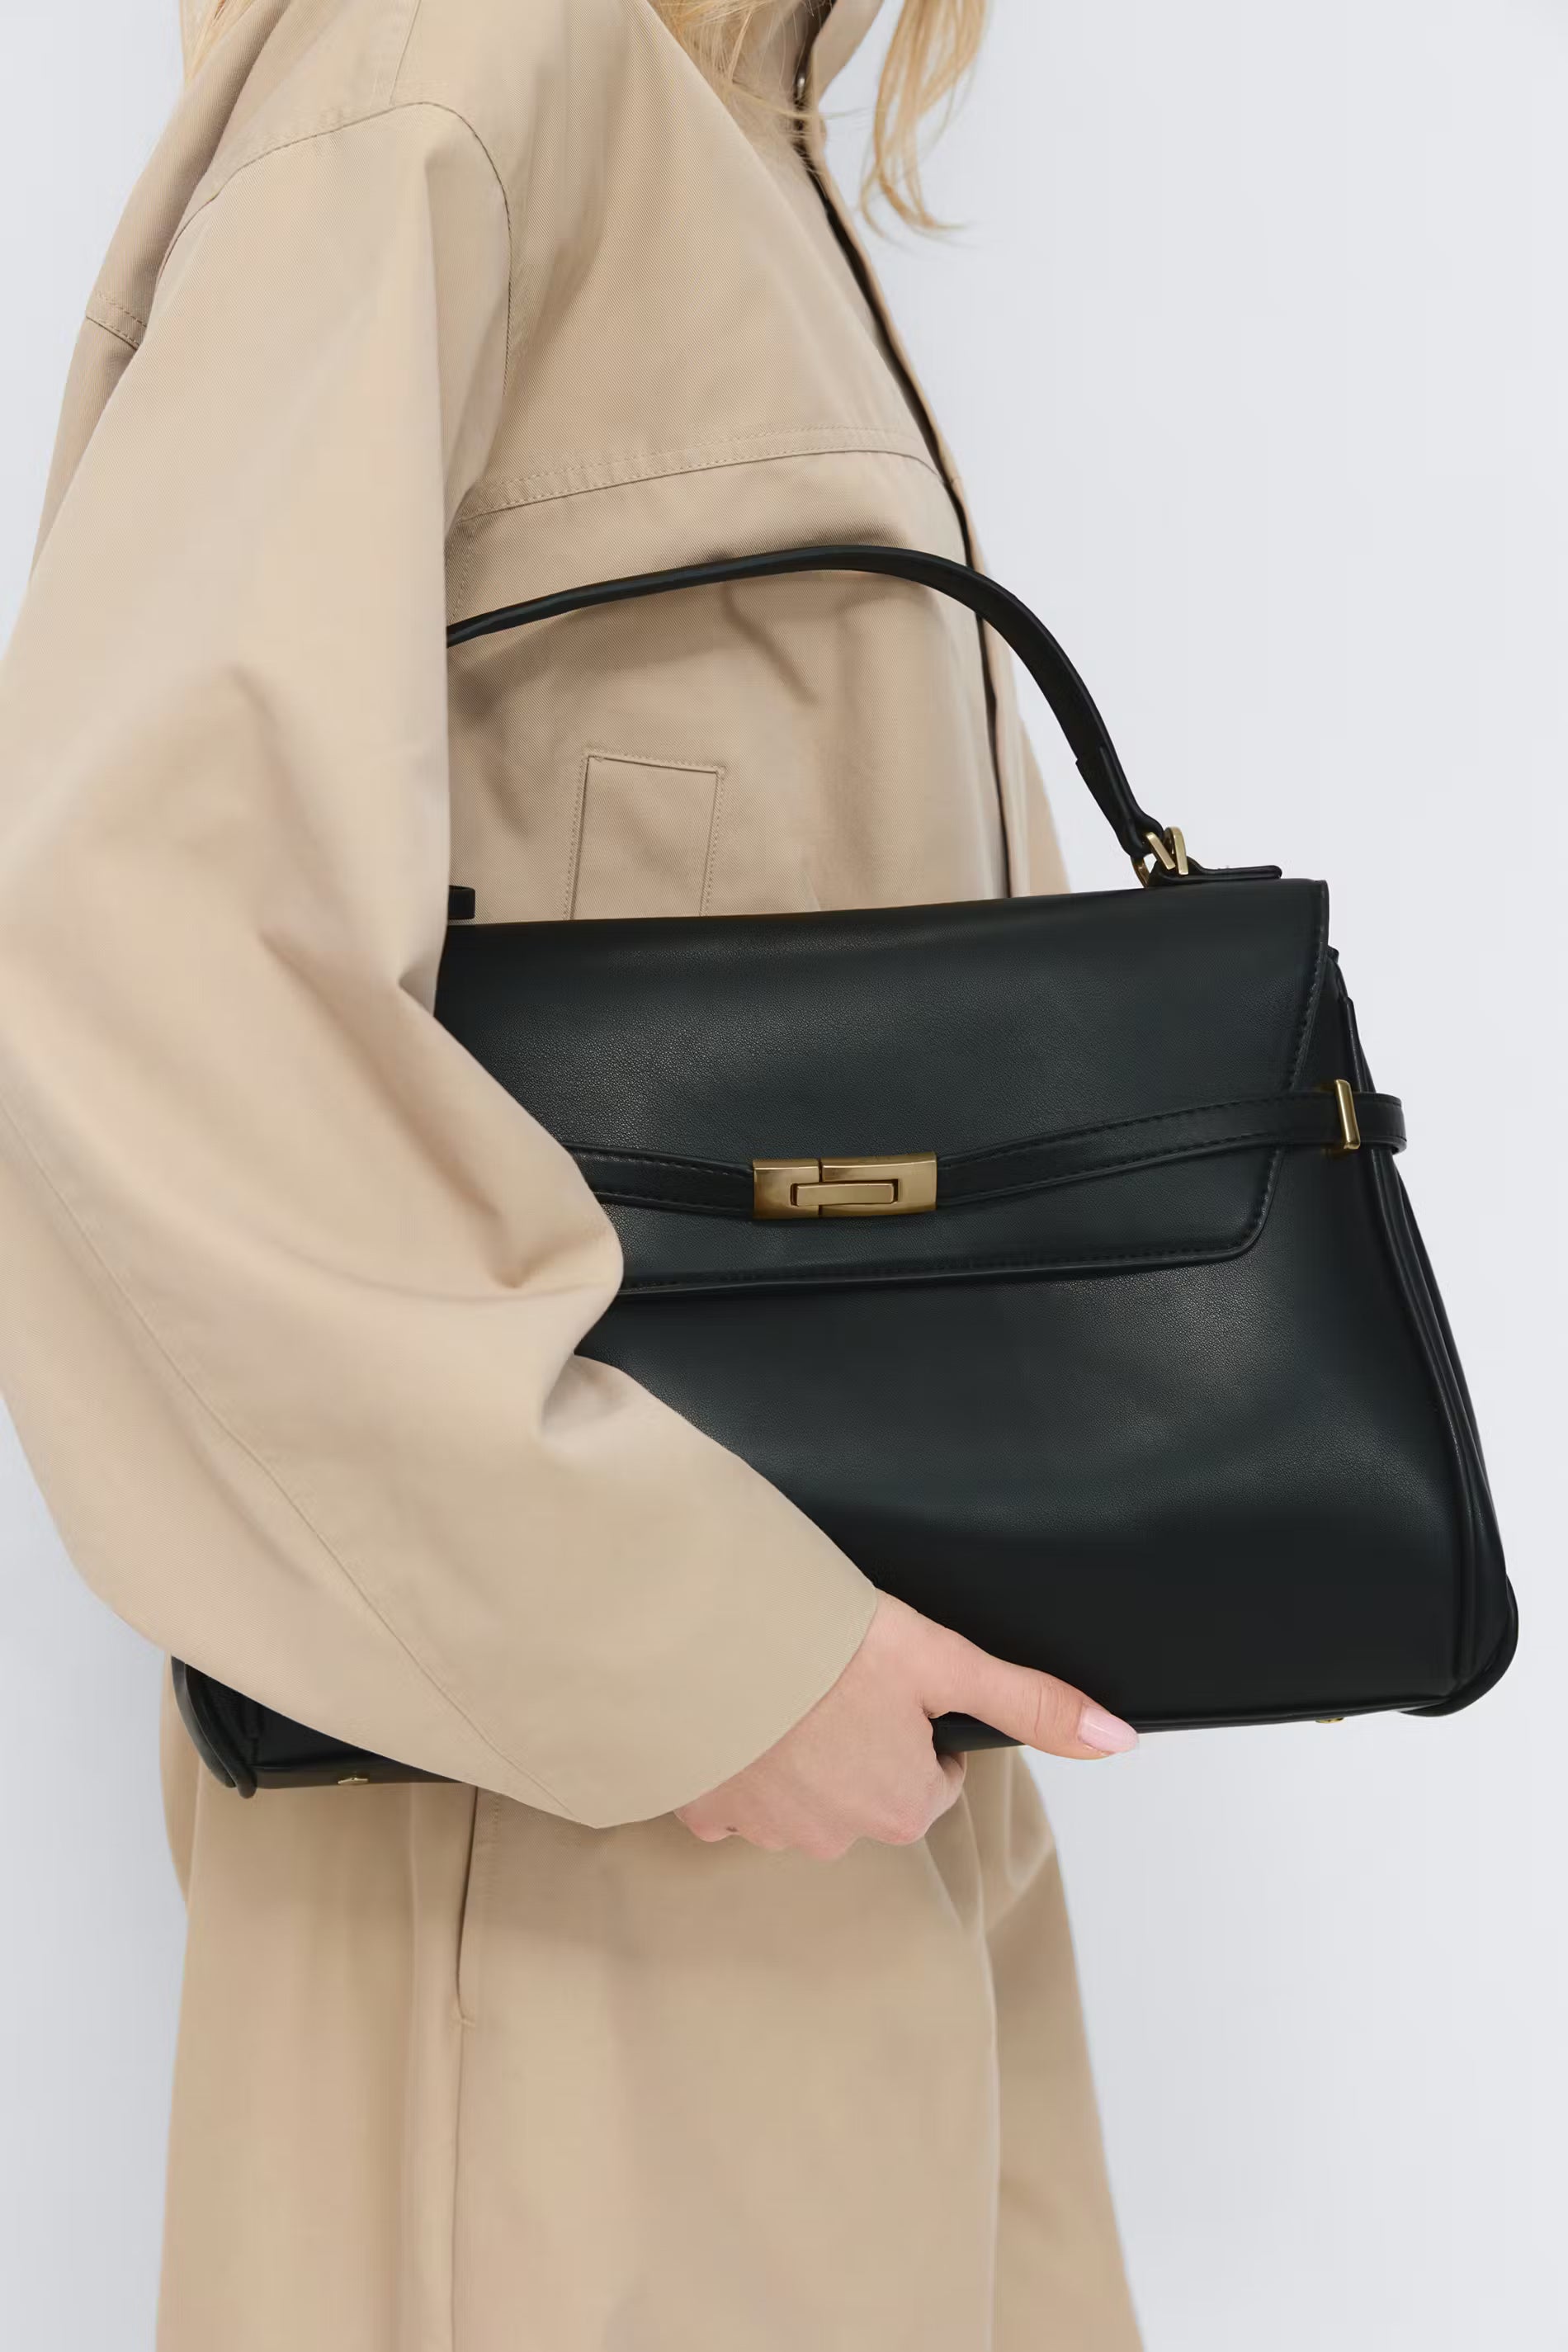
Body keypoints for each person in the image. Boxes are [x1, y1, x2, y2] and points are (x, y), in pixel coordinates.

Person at [0, 2, 1145, 2345]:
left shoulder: (719, 122)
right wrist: (696, 1648)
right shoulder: (459, 58)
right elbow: (131, 949)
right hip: (568, 1861)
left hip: (828, 1795)